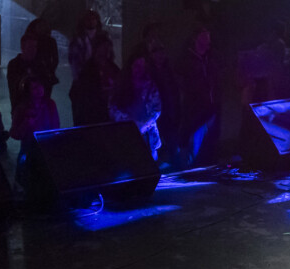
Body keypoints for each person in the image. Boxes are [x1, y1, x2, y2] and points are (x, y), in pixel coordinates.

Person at [112, 27, 164, 160]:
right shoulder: (121, 85)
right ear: (130, 66)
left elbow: (157, 109)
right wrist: (131, 124)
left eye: (142, 67)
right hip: (127, 135)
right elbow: (113, 108)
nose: (139, 70)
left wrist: (145, 124)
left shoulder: (150, 85)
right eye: (136, 66)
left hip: (148, 136)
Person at [173, 24, 219, 167]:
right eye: (203, 39)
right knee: (190, 135)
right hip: (192, 106)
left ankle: (204, 164)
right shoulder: (186, 59)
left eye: (208, 40)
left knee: (207, 138)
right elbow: (179, 80)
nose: (206, 44)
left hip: (209, 105)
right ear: (195, 39)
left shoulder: (209, 59)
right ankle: (187, 166)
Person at [69, 32, 117, 126]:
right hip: (93, 119)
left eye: (108, 46)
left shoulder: (113, 68)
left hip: (110, 117)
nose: (106, 50)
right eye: (103, 47)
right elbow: (81, 98)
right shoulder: (87, 71)